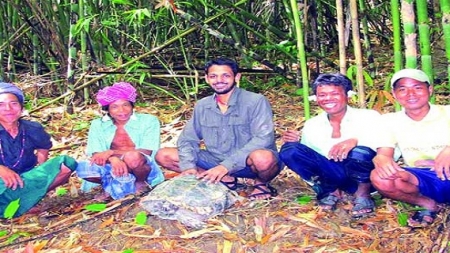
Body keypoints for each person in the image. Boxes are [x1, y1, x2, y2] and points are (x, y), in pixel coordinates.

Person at [155, 57, 280, 200]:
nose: (219, 80)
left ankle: (261, 184)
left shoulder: (255, 101)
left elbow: (263, 138)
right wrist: (189, 167)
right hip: (214, 161)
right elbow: (187, 139)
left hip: (248, 163)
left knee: (263, 158)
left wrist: (226, 166)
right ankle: (225, 180)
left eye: (225, 75)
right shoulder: (203, 105)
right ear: (207, 79)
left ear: (237, 77)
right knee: (164, 155)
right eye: (213, 76)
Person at [279, 73, 381, 218]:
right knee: (290, 150)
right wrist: (297, 143)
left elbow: (387, 148)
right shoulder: (312, 124)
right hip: (334, 175)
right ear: (316, 98)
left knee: (360, 152)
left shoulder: (369, 116)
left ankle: (363, 195)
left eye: (334, 93)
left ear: (348, 95)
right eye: (322, 95)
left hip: (365, 176)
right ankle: (329, 190)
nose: (328, 99)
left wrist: (356, 141)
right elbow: (314, 161)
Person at [370, 68, 450, 227]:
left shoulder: (447, 112)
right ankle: (427, 203)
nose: (411, 94)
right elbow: (384, 154)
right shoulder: (389, 120)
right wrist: (380, 159)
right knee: (380, 177)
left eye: (417, 87)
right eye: (403, 89)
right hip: (422, 177)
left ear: (430, 89)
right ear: (394, 94)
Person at [0, 82, 77, 218]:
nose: (8, 109)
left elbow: (43, 147)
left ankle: (27, 200)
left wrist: (42, 172)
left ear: (21, 107)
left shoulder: (32, 128)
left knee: (65, 164)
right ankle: (22, 204)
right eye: (1, 105)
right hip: (2, 185)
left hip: (26, 179)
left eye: (13, 103)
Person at [76, 82, 164, 200]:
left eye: (125, 105)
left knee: (132, 157)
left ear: (132, 106)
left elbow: (146, 152)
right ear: (108, 110)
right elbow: (96, 154)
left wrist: (111, 152)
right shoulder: (97, 125)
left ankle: (140, 183)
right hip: (110, 166)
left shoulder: (149, 121)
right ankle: (109, 185)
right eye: (115, 107)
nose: (122, 110)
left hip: (140, 167)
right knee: (82, 167)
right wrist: (113, 158)